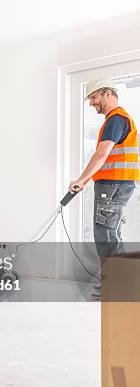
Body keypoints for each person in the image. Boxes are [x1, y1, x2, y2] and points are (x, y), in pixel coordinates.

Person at [68, 78, 139, 260]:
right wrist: (84, 181)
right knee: (110, 233)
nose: (91, 103)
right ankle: (120, 280)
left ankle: (116, 282)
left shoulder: (116, 119)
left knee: (105, 235)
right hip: (116, 183)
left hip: (113, 184)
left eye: (94, 97)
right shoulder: (117, 119)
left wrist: (80, 180)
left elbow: (101, 154)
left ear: (107, 93)